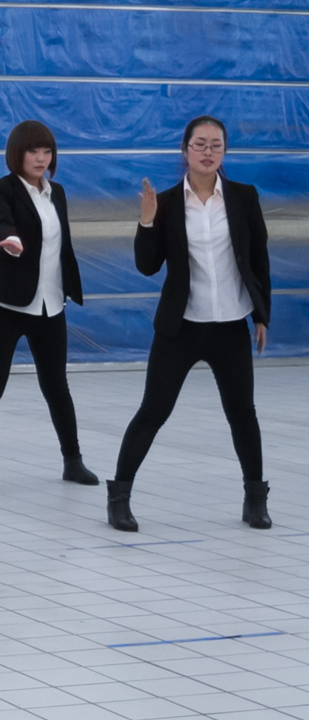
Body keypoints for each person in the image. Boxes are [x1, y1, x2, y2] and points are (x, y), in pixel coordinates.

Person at [108, 116, 272, 532]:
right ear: (185, 151)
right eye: (200, 144)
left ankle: (255, 499)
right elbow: (147, 266)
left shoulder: (243, 197)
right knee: (153, 411)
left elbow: (258, 260)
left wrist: (261, 316)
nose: (208, 152)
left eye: (216, 145)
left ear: (225, 151)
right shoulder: (166, 202)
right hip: (180, 327)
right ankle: (119, 498)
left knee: (243, 414)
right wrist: (147, 221)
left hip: (230, 326)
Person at [0, 121, 95, 491]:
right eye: (33, 151)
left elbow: (60, 245)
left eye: (46, 151)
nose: (41, 158)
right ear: (18, 154)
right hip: (8, 304)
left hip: (50, 303)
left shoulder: (56, 192)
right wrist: (8, 238)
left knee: (56, 385)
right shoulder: (2, 188)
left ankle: (73, 460)